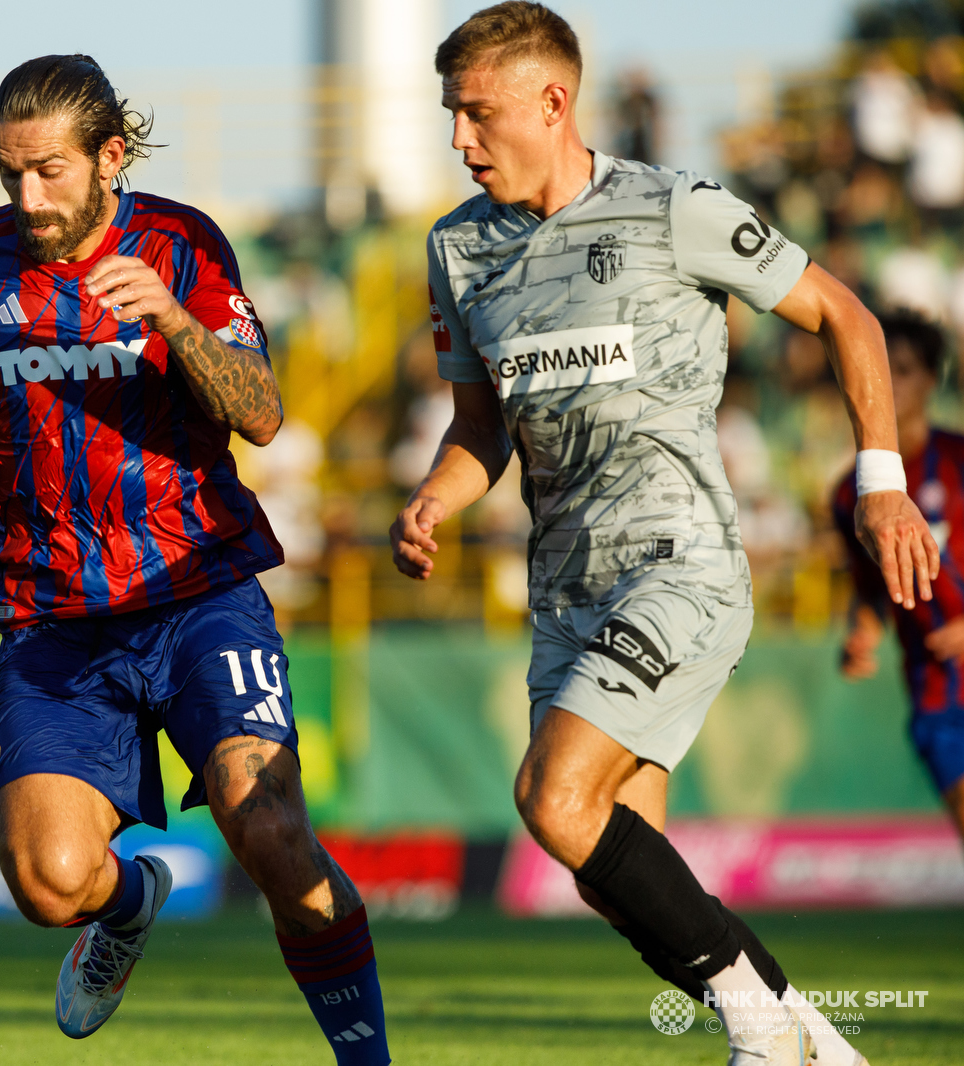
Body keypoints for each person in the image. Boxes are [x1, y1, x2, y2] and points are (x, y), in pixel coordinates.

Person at [388, 4, 935, 1064]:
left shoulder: (670, 208)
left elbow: (845, 315)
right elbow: (476, 428)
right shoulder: (456, 250)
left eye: (475, 112)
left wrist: (880, 483)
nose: (458, 137)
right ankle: (821, 1046)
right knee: (618, 866)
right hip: (565, 591)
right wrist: (434, 500)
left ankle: (763, 1034)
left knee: (551, 796)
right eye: (449, 113)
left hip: (676, 566)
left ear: (553, 103)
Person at [0, 55, 389, 1063]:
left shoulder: (182, 245)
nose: (27, 198)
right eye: (9, 173)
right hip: (54, 622)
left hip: (196, 593)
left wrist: (170, 318)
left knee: (270, 833)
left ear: (109, 157)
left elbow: (260, 412)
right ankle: (128, 904)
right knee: (47, 885)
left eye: (49, 172)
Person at [836, 313, 964, 840]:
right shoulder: (850, 495)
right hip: (936, 695)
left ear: (933, 378)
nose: (889, 381)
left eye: (904, 369)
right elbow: (871, 592)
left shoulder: (959, 461)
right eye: (880, 368)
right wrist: (862, 631)